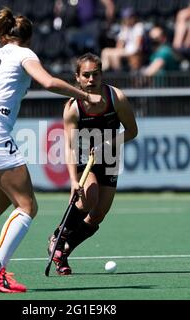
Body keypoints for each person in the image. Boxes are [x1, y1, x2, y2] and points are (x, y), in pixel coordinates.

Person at [0, 8, 103, 293]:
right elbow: (48, 82)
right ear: (29, 38)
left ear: (3, 36)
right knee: (27, 206)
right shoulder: (24, 54)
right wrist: (85, 95)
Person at [47, 52, 138, 275]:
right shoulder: (73, 107)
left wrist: (108, 144)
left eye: (95, 74)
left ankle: (64, 252)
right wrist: (72, 181)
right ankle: (57, 238)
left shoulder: (116, 98)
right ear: (77, 78)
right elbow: (68, 147)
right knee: (90, 193)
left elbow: (133, 131)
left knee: (98, 214)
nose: (90, 79)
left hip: (109, 156)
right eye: (85, 75)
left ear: (101, 75)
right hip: (82, 155)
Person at [100, 7, 145, 72]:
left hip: (134, 51)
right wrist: (118, 49)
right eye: (126, 18)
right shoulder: (125, 27)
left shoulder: (139, 26)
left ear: (134, 17)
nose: (127, 20)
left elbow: (138, 44)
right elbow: (120, 44)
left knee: (115, 55)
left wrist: (119, 51)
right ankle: (104, 71)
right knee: (105, 51)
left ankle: (119, 75)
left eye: (129, 17)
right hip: (126, 50)